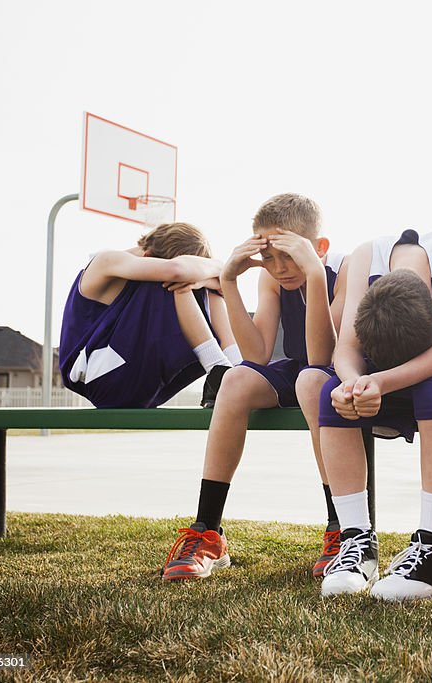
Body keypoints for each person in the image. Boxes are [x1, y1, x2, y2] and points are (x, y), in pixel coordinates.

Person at [161, 194, 348, 581]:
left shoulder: (343, 273)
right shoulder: (272, 279)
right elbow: (256, 354)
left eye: (288, 255)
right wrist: (228, 280)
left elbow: (322, 355)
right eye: (269, 257)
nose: (279, 268)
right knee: (235, 379)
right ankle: (207, 531)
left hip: (342, 374)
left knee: (313, 381)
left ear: (319, 248)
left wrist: (314, 274)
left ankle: (341, 530)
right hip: (300, 370)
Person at [317, 229, 432, 601]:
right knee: (330, 394)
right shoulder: (365, 254)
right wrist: (354, 385)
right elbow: (345, 350)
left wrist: (378, 384)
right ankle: (357, 543)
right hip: (383, 365)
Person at [59, 221, 237, 409]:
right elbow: (176, 271)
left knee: (206, 289)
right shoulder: (106, 261)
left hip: (147, 387)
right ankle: (218, 369)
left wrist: (205, 281)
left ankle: (238, 369)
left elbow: (215, 282)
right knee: (176, 280)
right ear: (148, 256)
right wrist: (217, 269)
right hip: (99, 378)